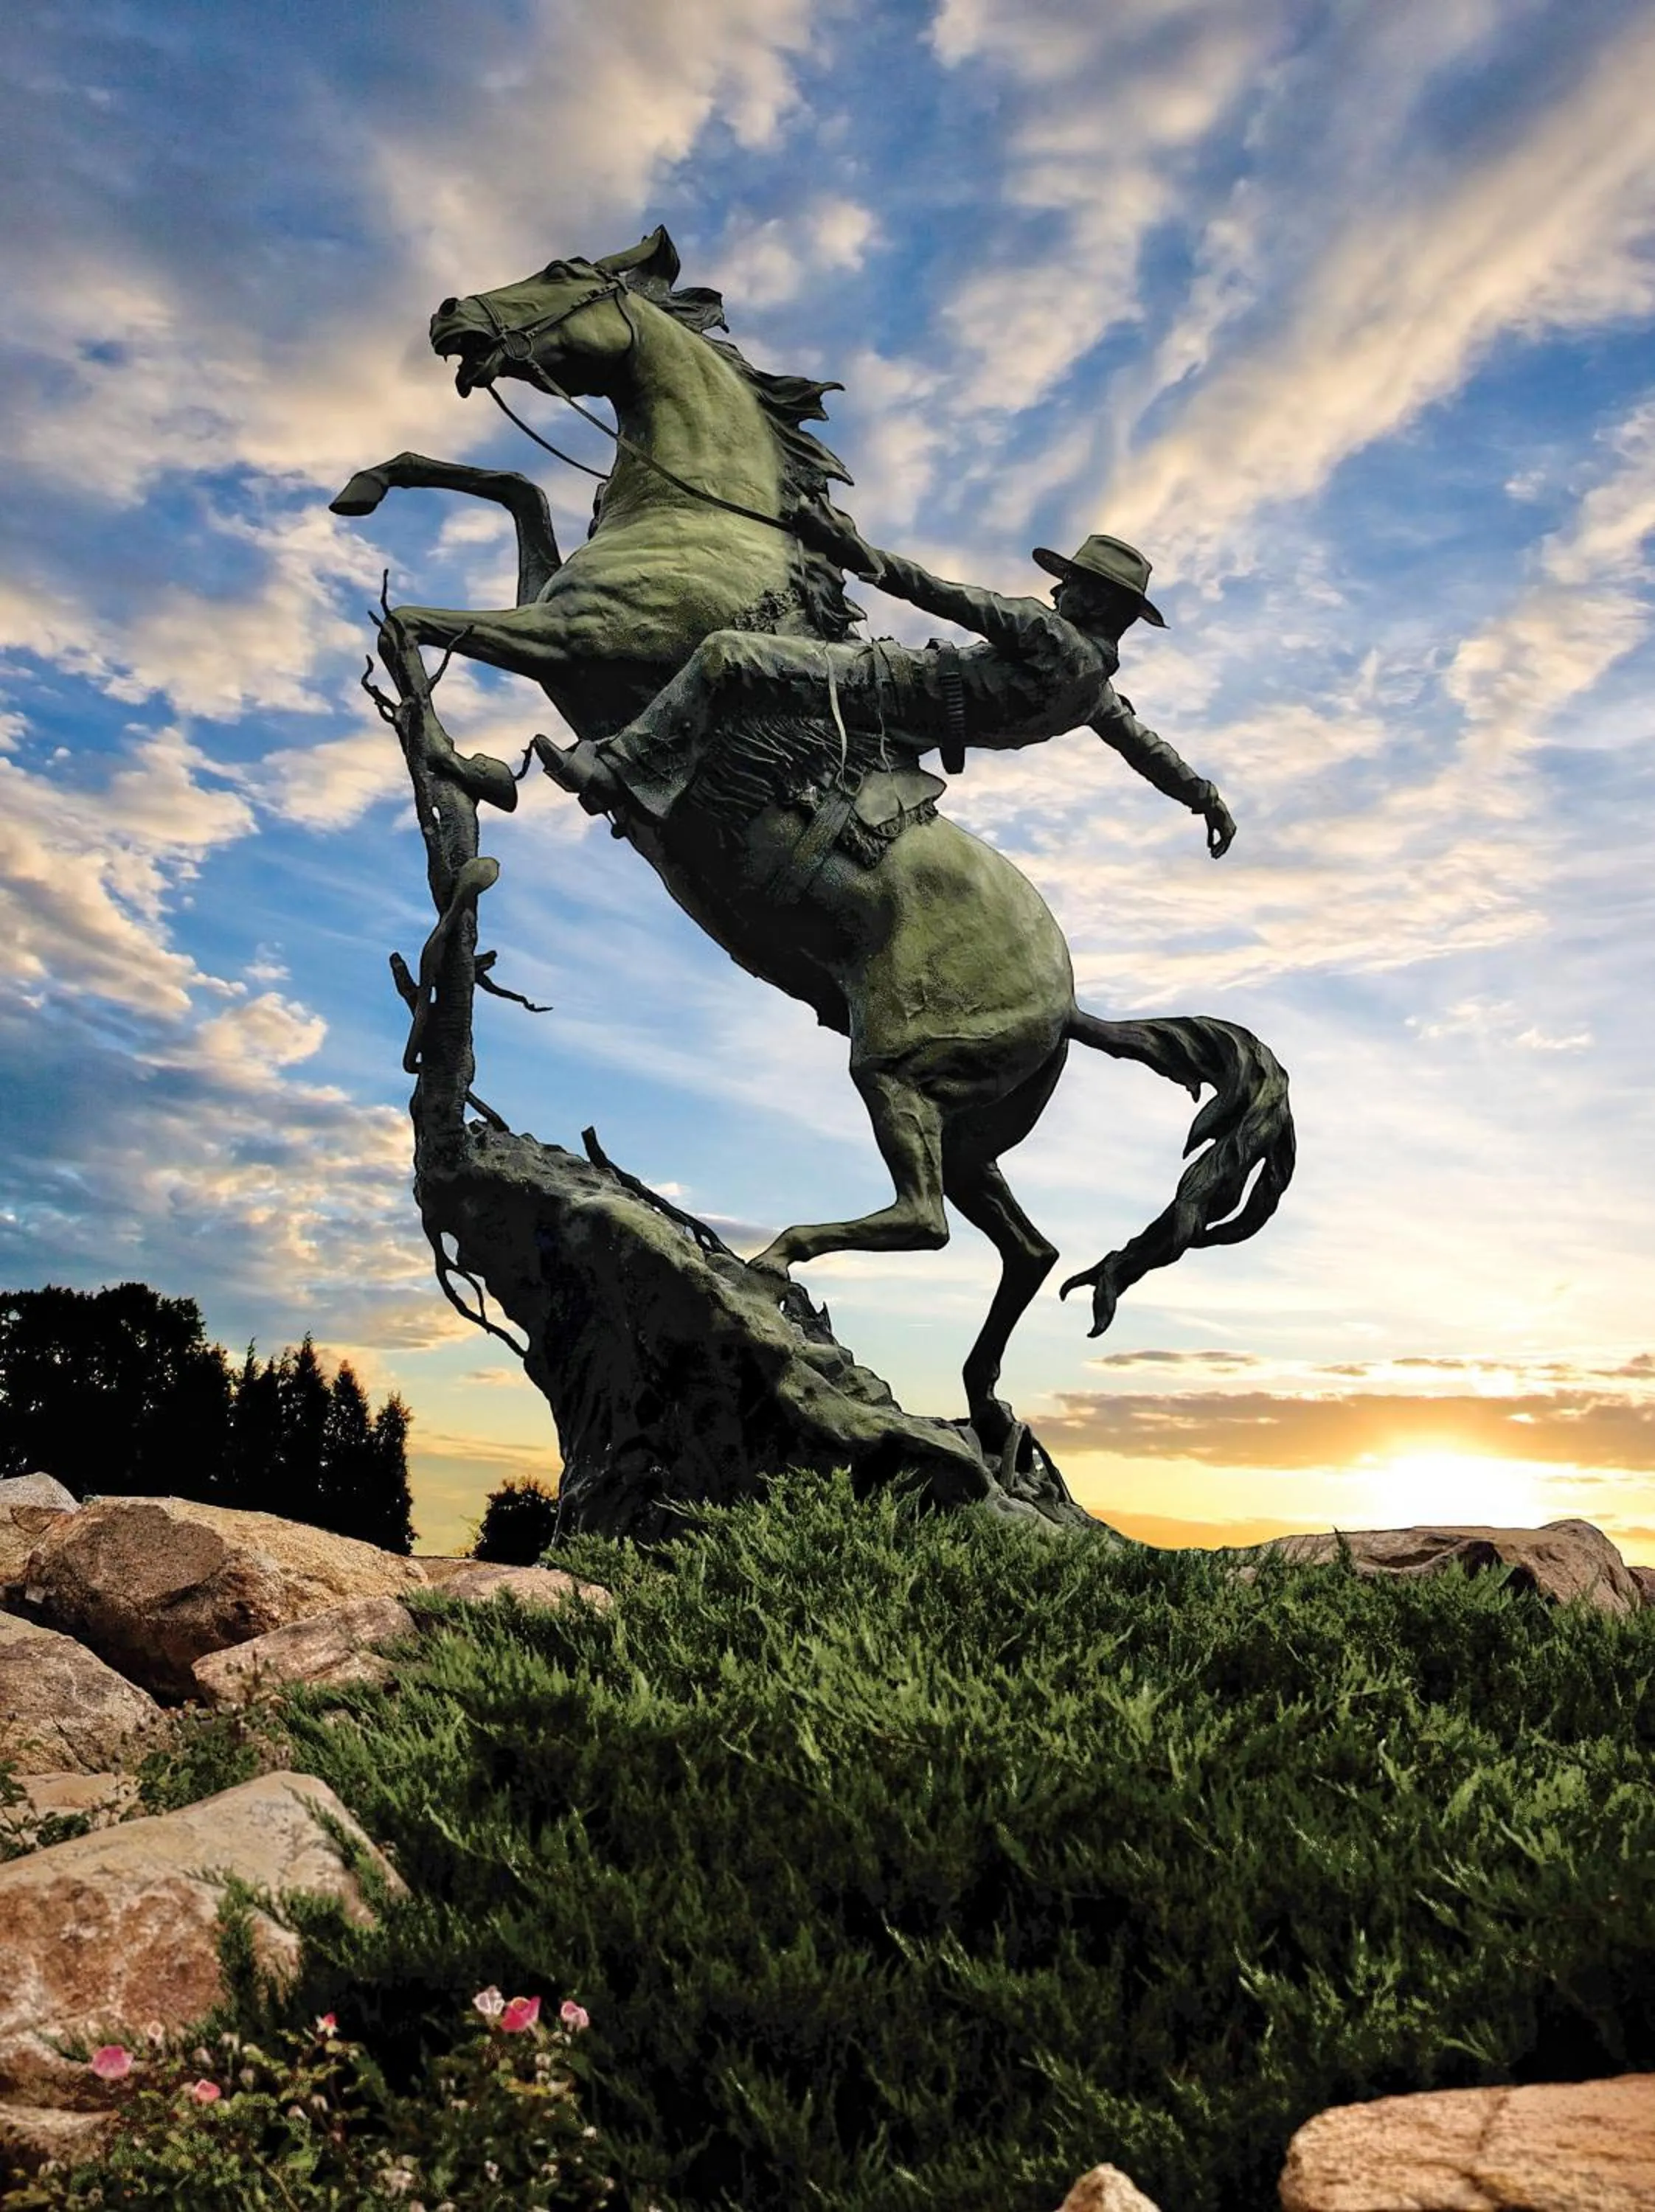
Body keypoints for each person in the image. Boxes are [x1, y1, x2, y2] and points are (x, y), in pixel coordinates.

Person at [539, 512, 1236, 860]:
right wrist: (1204, 798)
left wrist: (852, 551)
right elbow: (1151, 753)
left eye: (1073, 584)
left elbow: (942, 595)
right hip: (921, 739)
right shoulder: (1099, 698)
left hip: (890, 686)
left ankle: (620, 769)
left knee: (728, 654)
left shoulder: (1046, 632)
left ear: (1097, 603)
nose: (1058, 588)